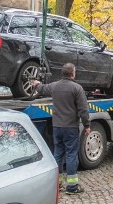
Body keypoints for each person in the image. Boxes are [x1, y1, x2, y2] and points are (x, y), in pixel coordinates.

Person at [31, 63, 90, 195]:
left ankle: (57, 184)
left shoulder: (55, 86)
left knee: (58, 154)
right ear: (72, 73)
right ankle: (72, 187)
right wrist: (87, 125)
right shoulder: (77, 88)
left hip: (57, 127)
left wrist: (36, 84)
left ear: (62, 73)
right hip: (70, 127)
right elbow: (83, 109)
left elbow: (42, 89)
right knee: (71, 155)